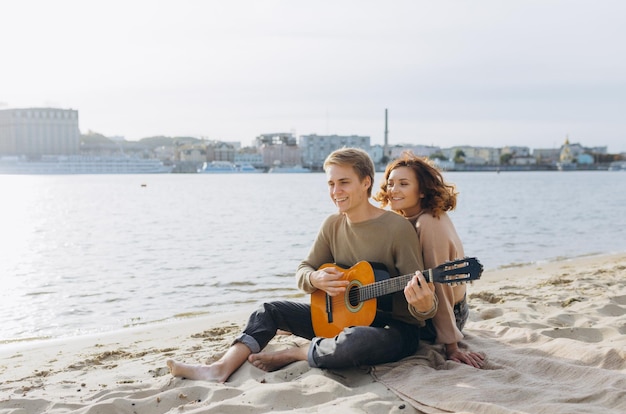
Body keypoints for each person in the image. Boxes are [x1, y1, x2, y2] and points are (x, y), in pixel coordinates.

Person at [167, 147, 437, 382]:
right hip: (337, 321)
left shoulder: (397, 228)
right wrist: (315, 280)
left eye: (344, 182)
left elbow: (420, 303)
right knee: (269, 310)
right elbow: (304, 269)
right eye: (331, 184)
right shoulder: (332, 224)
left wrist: (424, 305)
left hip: (393, 330)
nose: (336, 191)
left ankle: (296, 353)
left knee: (356, 341)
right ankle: (220, 368)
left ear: (366, 182)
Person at [374, 151, 485, 368]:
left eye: (403, 184)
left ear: (422, 190)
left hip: (447, 316)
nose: (393, 190)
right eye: (390, 184)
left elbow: (440, 285)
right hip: (423, 308)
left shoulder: (428, 223)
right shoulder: (402, 218)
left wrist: (451, 345)